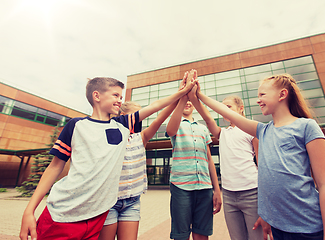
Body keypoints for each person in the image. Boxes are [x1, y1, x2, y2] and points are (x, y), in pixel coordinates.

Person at [19, 75, 196, 240]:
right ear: (97, 96)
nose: (120, 100)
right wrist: (29, 210)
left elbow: (156, 106)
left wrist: (182, 92)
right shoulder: (76, 126)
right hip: (63, 214)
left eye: (121, 96)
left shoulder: (123, 127)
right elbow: (54, 167)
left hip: (97, 216)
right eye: (116, 95)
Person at [195, 73, 325, 240]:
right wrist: (198, 94)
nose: (258, 100)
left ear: (282, 94)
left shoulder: (307, 127)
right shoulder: (262, 131)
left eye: (262, 95)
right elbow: (268, 181)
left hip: (308, 230)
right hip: (279, 229)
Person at [98, 76, 188, 240]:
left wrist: (180, 96)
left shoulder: (142, 137)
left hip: (132, 201)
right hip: (109, 201)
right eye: (137, 115)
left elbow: (160, 116)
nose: (141, 120)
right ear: (123, 115)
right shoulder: (109, 135)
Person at [188, 86, 263, 240]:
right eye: (222, 108)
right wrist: (194, 94)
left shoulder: (252, 129)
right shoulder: (222, 133)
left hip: (252, 192)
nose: (224, 111)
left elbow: (262, 165)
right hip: (229, 195)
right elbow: (207, 117)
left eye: (228, 107)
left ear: (241, 108)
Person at [166, 70, 222, 240]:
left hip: (204, 188)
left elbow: (209, 160)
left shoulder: (203, 128)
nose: (188, 103)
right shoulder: (176, 123)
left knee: (202, 232)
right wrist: (183, 94)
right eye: (185, 101)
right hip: (181, 186)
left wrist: (216, 189)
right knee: (181, 235)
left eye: (191, 100)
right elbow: (170, 130)